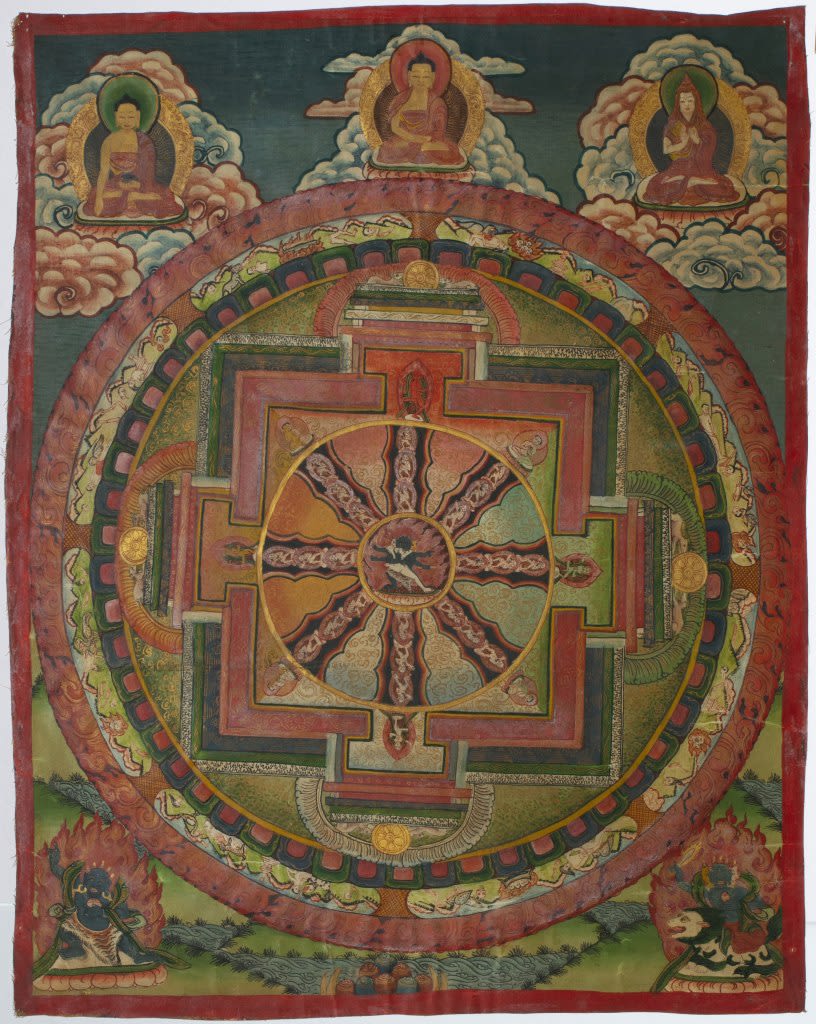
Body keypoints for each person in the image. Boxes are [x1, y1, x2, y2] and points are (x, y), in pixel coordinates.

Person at [643, 75, 739, 207]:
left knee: (725, 187)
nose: (686, 105)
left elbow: (709, 147)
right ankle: (690, 181)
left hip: (701, 169)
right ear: (678, 104)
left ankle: (690, 181)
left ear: (696, 102)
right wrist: (682, 144)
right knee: (655, 187)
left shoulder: (704, 125)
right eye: (682, 101)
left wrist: (698, 140)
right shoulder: (673, 125)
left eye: (690, 101)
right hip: (679, 167)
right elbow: (666, 150)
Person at [85, 95, 179, 220]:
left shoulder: (144, 141)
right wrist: (99, 199)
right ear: (116, 117)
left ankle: (135, 196)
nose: (126, 121)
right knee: (93, 196)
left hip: (141, 186)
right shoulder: (109, 141)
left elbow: (148, 174)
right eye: (122, 117)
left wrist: (138, 186)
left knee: (166, 197)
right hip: (117, 185)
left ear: (137, 117)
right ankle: (131, 198)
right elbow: (103, 172)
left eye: (130, 117)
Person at [375, 54, 464, 168]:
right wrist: (413, 138)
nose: (421, 80)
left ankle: (418, 151)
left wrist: (424, 140)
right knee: (387, 149)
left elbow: (439, 133)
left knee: (446, 150)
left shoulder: (437, 103)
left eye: (425, 77)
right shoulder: (400, 99)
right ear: (409, 76)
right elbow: (394, 127)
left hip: (428, 143)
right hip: (405, 141)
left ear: (432, 77)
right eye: (416, 76)